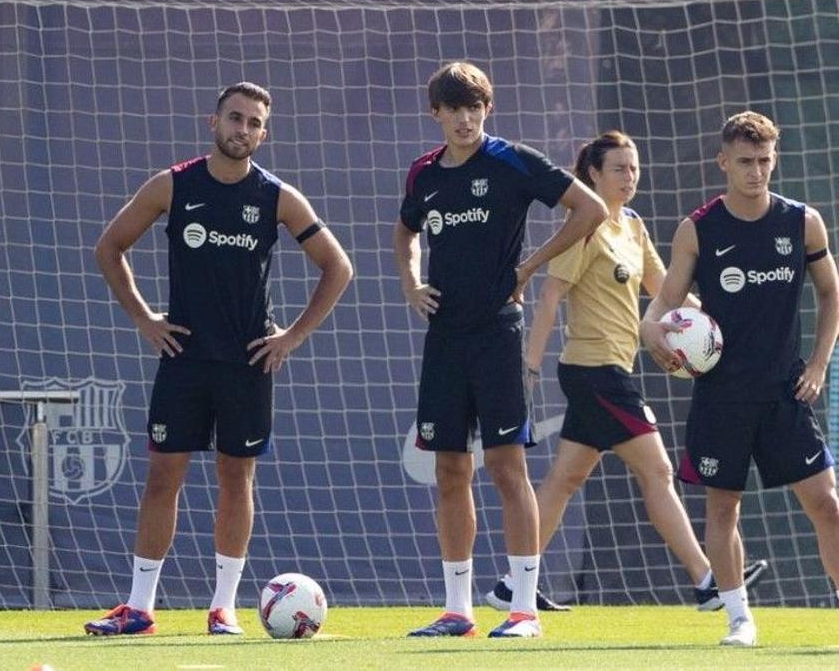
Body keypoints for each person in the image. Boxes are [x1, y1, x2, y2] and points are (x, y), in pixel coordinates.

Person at [85, 81, 352, 636]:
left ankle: (223, 607)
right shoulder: (173, 185)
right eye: (236, 118)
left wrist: (292, 336)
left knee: (237, 479)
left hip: (247, 363)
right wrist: (143, 317)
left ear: (264, 132)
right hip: (184, 358)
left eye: (255, 123)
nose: (244, 130)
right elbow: (110, 247)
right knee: (163, 477)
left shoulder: (277, 196)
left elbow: (338, 267)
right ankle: (139, 607)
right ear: (214, 122)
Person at [486, 131, 767, 614]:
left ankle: (513, 584)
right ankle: (706, 581)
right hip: (594, 372)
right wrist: (528, 365)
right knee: (657, 469)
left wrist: (724, 329)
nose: (629, 176)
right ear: (593, 173)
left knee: (564, 480)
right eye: (618, 168)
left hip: (611, 370)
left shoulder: (632, 226)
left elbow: (665, 290)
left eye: (633, 168)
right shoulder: (587, 223)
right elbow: (552, 295)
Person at [394, 62, 608, 639]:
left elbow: (591, 209)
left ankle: (523, 611)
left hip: (497, 334)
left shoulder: (513, 160)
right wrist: (411, 281)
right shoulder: (423, 174)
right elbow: (405, 231)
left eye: (475, 107)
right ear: (436, 113)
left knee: (508, 468)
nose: (465, 119)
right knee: (449, 470)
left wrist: (530, 266)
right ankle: (458, 610)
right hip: (445, 340)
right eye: (454, 109)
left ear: (487, 109)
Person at [640, 110, 839, 646]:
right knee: (724, 506)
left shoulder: (802, 221)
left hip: (785, 392)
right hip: (721, 395)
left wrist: (819, 363)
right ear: (723, 162)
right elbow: (668, 297)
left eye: (765, 161)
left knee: (827, 504)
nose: (757, 172)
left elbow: (831, 292)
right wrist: (649, 326)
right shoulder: (698, 229)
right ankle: (739, 619)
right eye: (746, 162)